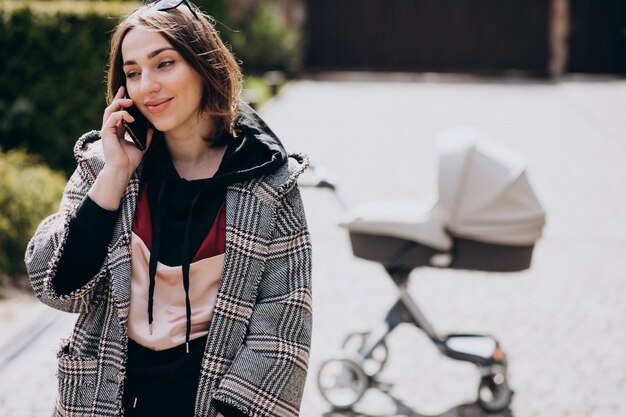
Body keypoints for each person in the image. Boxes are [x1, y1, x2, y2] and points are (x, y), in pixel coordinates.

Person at [24, 1, 312, 416]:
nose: (148, 86)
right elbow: (53, 285)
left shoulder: (269, 182)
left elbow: (282, 327)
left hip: (212, 400)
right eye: (133, 72)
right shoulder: (103, 164)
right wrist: (115, 175)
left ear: (203, 63)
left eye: (164, 64)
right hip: (104, 399)